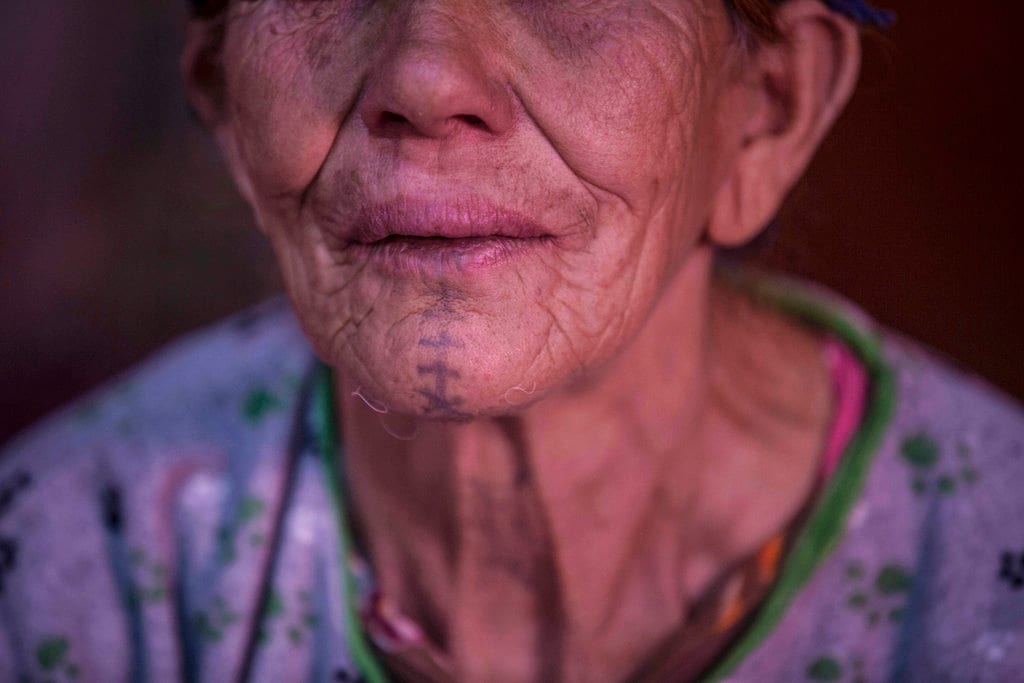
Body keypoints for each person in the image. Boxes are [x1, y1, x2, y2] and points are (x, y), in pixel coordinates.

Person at [1, 0, 1021, 681]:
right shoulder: (56, 564)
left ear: (766, 109)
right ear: (224, 105)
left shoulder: (989, 568)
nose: (427, 79)